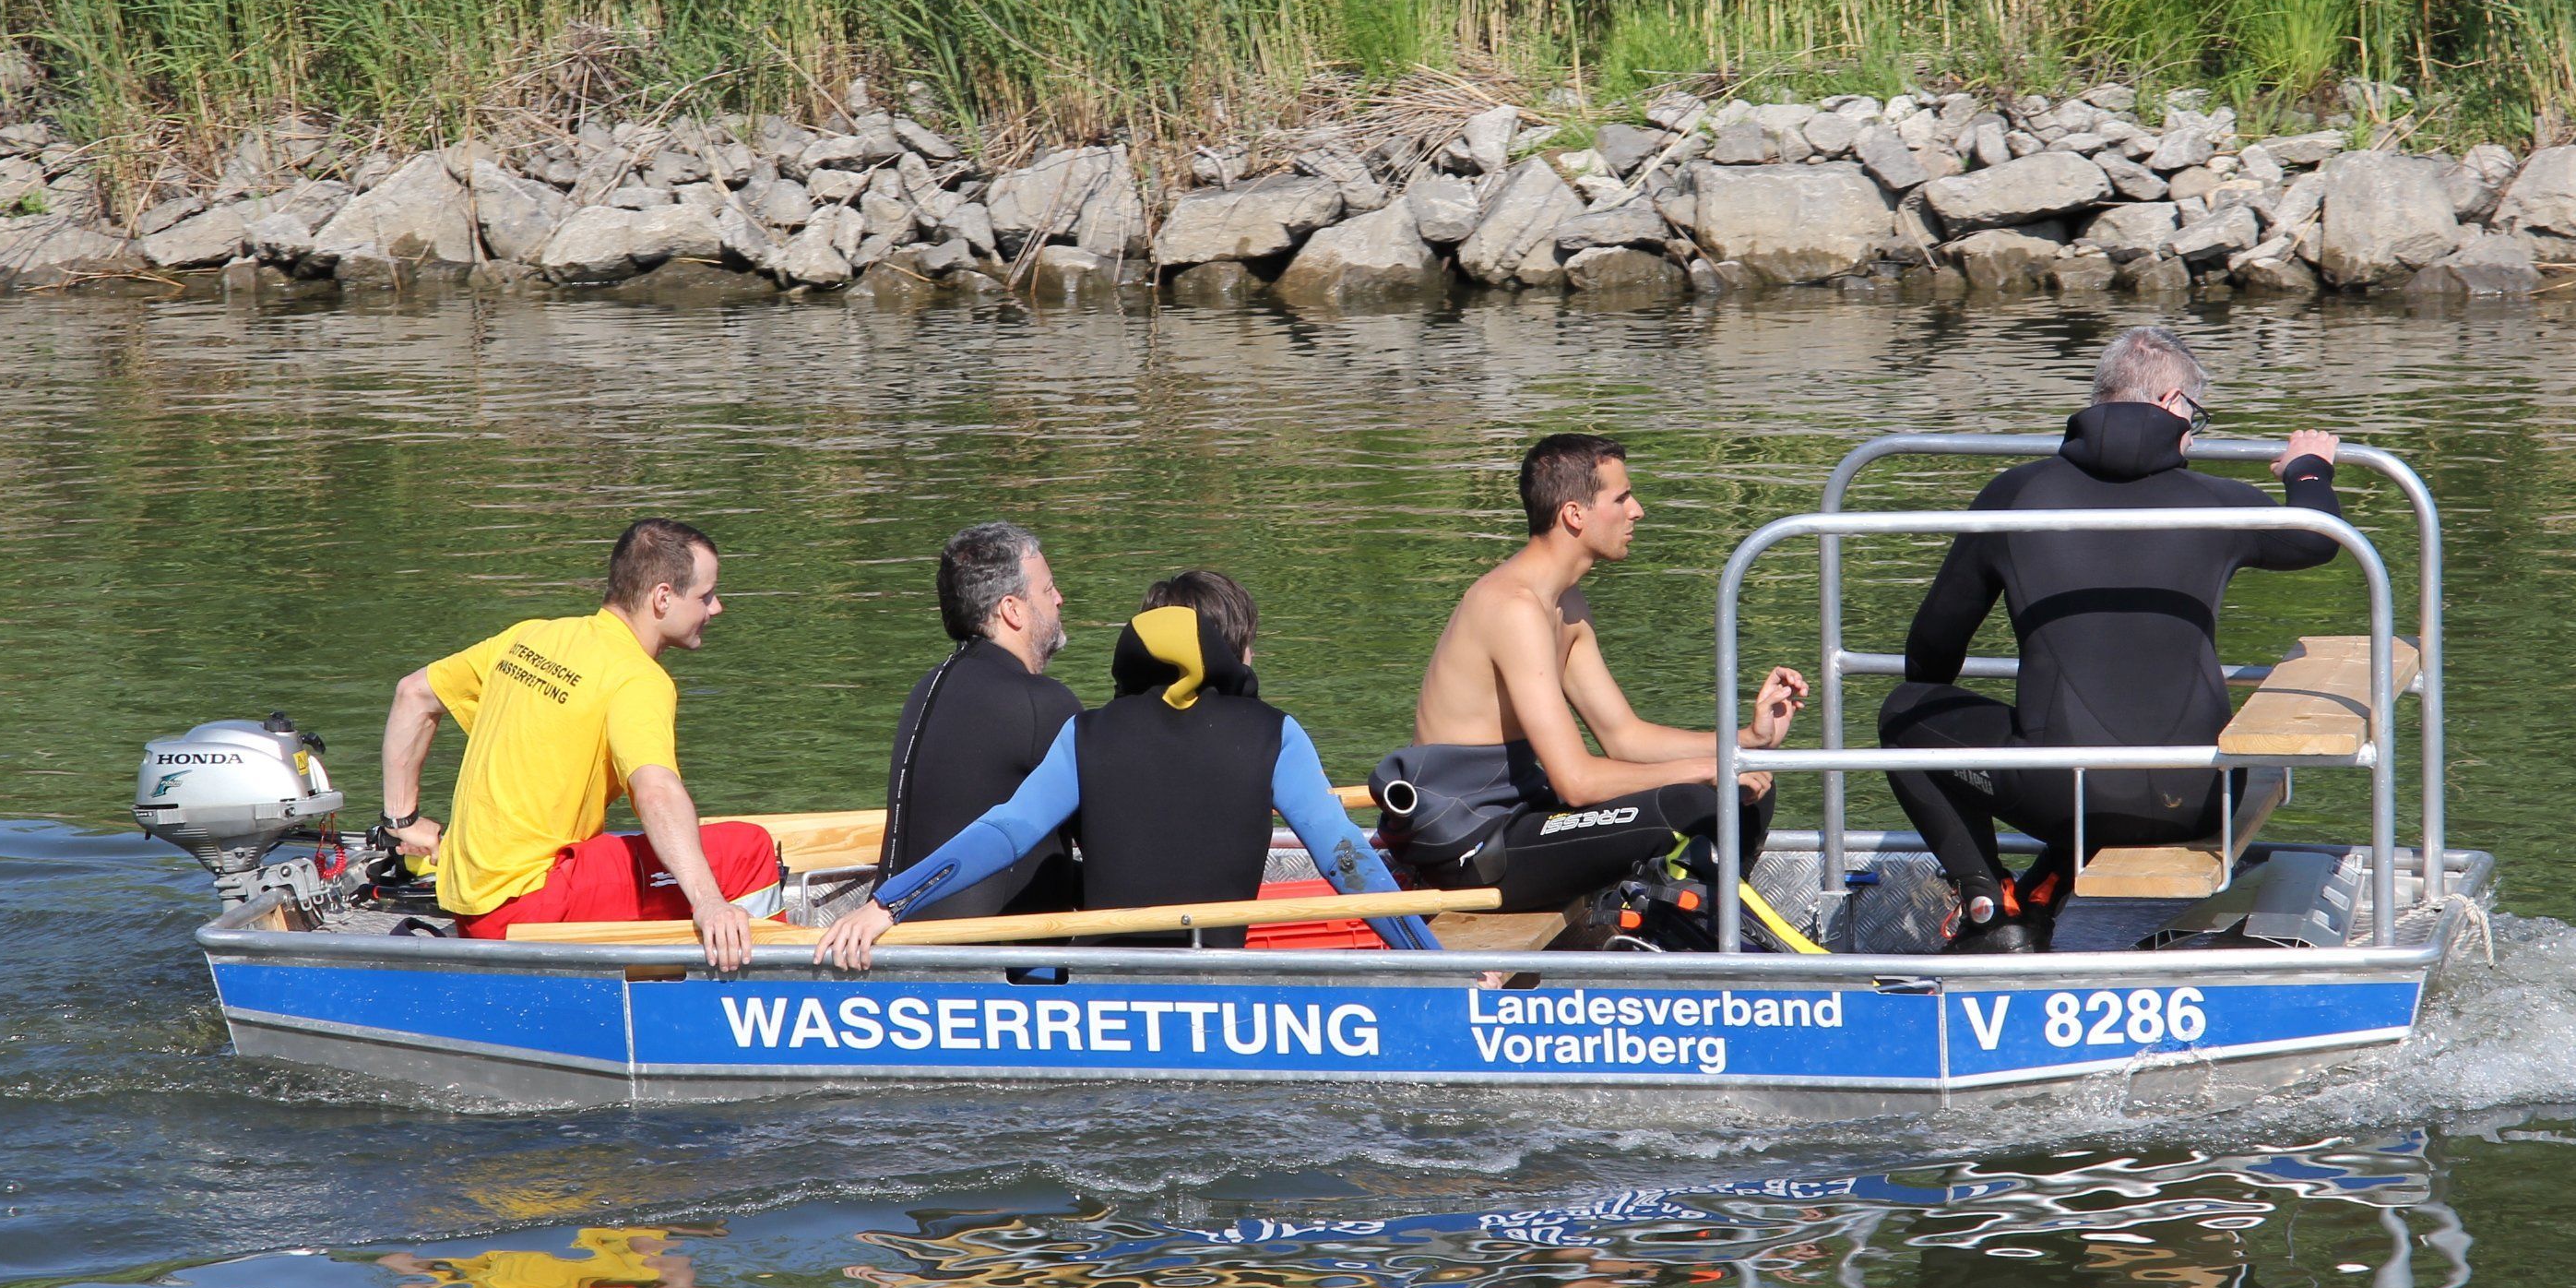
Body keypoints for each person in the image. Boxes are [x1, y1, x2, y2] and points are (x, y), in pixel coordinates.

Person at [1882, 324, 2344, 952]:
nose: (2192, 432)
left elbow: (1933, 650)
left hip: (2065, 794)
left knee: (1908, 714)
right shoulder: (2218, 502)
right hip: (2204, 794)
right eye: (2196, 416)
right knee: (2098, 750)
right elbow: (2317, 537)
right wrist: (2309, 467)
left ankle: (1989, 905)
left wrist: (1966, 724)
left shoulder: (2015, 495)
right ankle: (2043, 889)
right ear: (2170, 403)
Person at [818, 569, 1430, 966]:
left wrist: (888, 905)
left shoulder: (1086, 734)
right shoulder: (1276, 735)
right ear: (1224, 652)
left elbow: (1004, 832)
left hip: (1104, 996)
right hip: (1218, 991)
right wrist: (1435, 962)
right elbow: (1344, 858)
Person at [1371, 434, 1809, 914]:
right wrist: (1709, 771)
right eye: (1621, 498)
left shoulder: (1565, 602)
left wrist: (1747, 741)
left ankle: (1688, 931)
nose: (1637, 510)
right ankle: (1697, 938)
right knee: (1690, 803)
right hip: (1470, 847)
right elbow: (1577, 781)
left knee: (1752, 788)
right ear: (1574, 515)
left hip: (1525, 816)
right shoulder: (1512, 608)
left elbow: (1625, 737)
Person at [378, 518, 778, 970]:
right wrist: (708, 902)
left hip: (468, 895)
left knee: (641, 847)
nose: (717, 607)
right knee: (749, 849)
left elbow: (413, 693)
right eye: (705, 596)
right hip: (524, 910)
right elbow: (655, 791)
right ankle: (774, 981)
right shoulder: (637, 679)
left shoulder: (530, 636)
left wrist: (401, 819)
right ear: (663, 598)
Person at [877, 521, 1083, 922]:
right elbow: (1111, 841)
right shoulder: (1040, 702)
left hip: (900, 936)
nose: (1059, 599)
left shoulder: (927, 687)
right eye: (1047, 589)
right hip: (999, 967)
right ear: (1012, 609)